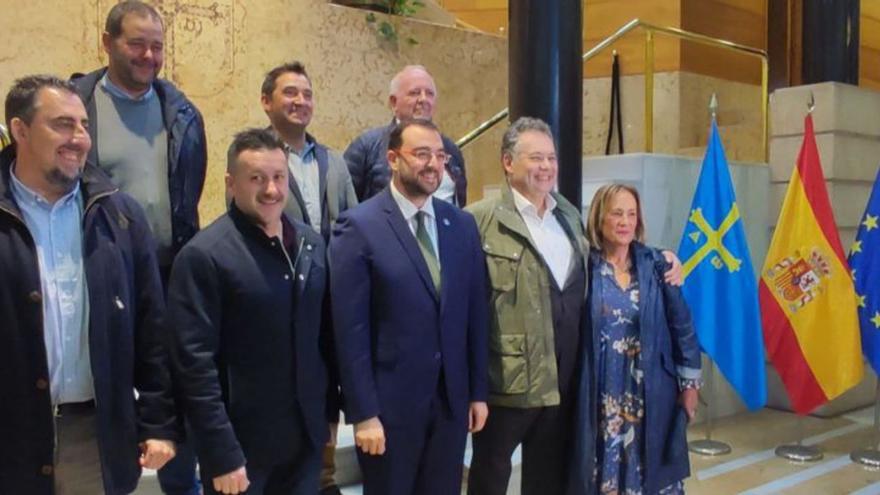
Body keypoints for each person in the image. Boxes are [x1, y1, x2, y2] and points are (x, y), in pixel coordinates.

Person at [466, 118, 683, 495]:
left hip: (563, 385)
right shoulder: (478, 220)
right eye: (536, 158)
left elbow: (612, 257)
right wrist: (472, 389)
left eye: (551, 158)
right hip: (504, 385)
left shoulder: (567, 215)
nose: (547, 167)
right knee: (490, 482)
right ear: (507, 162)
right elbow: (464, 312)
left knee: (548, 482)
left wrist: (663, 258)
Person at [0, 74, 177, 494]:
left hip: (92, 440)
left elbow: (152, 328)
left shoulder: (120, 217)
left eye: (83, 125)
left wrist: (157, 422)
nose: (79, 138)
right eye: (62, 124)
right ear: (19, 130)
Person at [72, 2, 208, 493]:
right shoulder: (76, 109)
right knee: (105, 384)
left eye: (157, 45)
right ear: (106, 43)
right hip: (98, 271)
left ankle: (180, 483)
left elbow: (188, 191)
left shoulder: (184, 113)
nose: (149, 55)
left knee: (172, 385)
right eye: (137, 43)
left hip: (168, 273)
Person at [167, 128, 335, 495]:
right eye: (256, 179)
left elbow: (323, 337)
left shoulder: (310, 242)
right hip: (241, 450)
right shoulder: (204, 256)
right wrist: (221, 452)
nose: (271, 190)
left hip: (303, 440)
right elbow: (194, 367)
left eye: (278, 177)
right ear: (231, 183)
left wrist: (329, 414)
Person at [330, 119, 489, 495]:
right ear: (392, 159)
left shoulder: (461, 225)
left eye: (440, 155)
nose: (433, 164)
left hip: (450, 403)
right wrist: (364, 413)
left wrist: (477, 391)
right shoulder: (359, 226)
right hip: (390, 408)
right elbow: (349, 330)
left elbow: (476, 316)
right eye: (421, 154)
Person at [571, 183, 701, 495]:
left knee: (650, 469)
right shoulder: (584, 266)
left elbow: (681, 325)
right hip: (601, 392)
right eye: (616, 213)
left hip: (650, 388)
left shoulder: (657, 265)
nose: (625, 222)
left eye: (631, 214)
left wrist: (691, 384)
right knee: (601, 471)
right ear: (600, 219)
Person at [343, 65, 466, 205]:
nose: (423, 99)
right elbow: (344, 205)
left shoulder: (451, 150)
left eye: (430, 93)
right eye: (415, 93)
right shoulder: (366, 146)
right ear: (394, 102)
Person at [261, 61, 357, 240]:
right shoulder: (252, 160)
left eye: (307, 95)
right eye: (290, 93)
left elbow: (354, 225)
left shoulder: (334, 161)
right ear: (266, 102)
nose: (301, 101)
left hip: (331, 267)